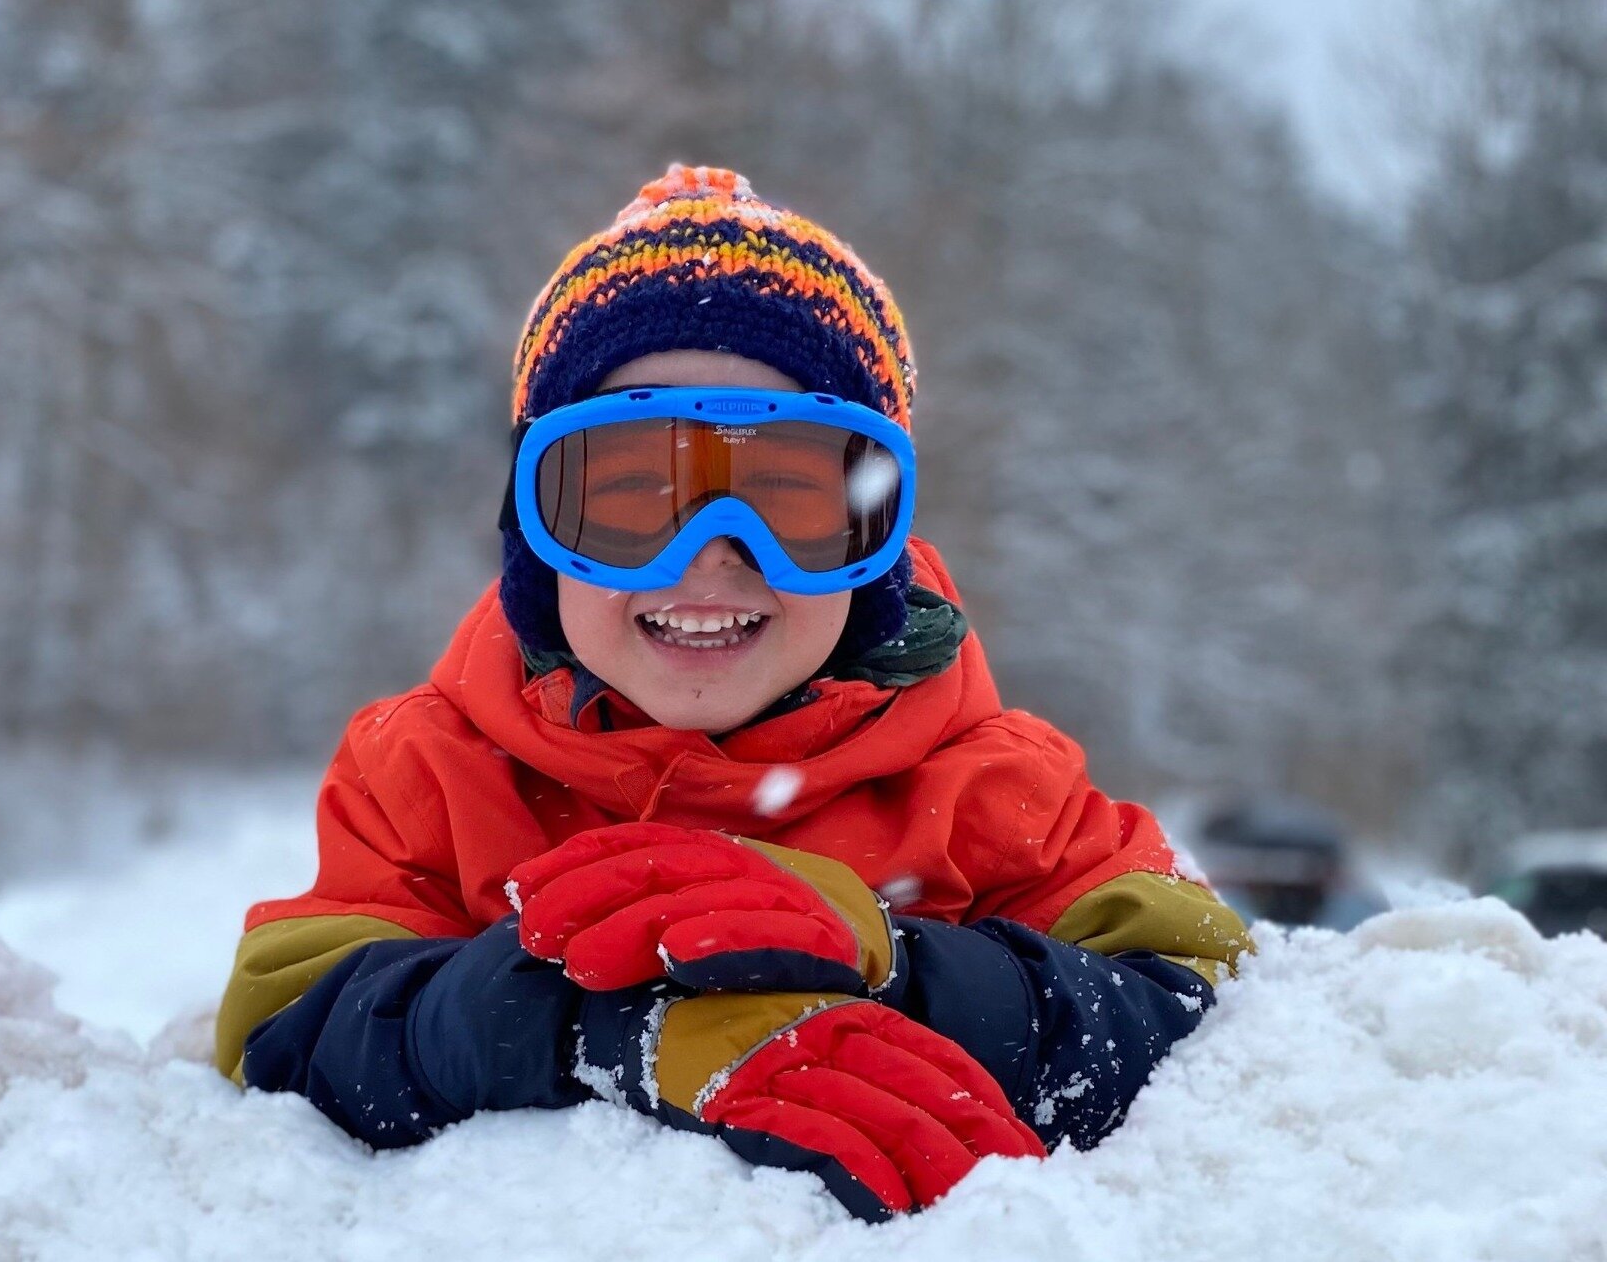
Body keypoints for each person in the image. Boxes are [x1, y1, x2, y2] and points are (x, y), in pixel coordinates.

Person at [215, 164, 1252, 1222]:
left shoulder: (986, 781)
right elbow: (290, 1021)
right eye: (626, 495)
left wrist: (892, 966)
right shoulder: (432, 770)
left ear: (872, 547)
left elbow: (1201, 1000)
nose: (707, 559)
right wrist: (592, 1024)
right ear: (541, 537)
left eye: (790, 499)